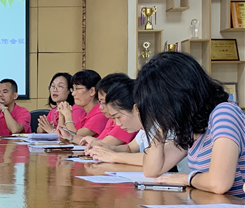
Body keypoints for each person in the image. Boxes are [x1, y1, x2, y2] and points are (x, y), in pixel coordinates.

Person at [134, 51, 245, 198]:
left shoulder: (224, 113)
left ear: (177, 97)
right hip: (211, 207)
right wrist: (161, 126)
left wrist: (186, 178)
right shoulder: (193, 127)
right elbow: (151, 171)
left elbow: (219, 183)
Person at [79, 74, 137, 147]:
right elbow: (102, 142)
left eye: (104, 102)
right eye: (100, 102)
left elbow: (104, 144)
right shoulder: (111, 120)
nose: (100, 107)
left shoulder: (126, 121)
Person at [57, 69, 108, 144]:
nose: (73, 93)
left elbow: (75, 137)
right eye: (73, 89)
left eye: (77, 89)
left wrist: (67, 115)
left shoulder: (100, 113)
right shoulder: (84, 115)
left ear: (92, 91)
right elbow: (63, 137)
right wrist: (61, 114)